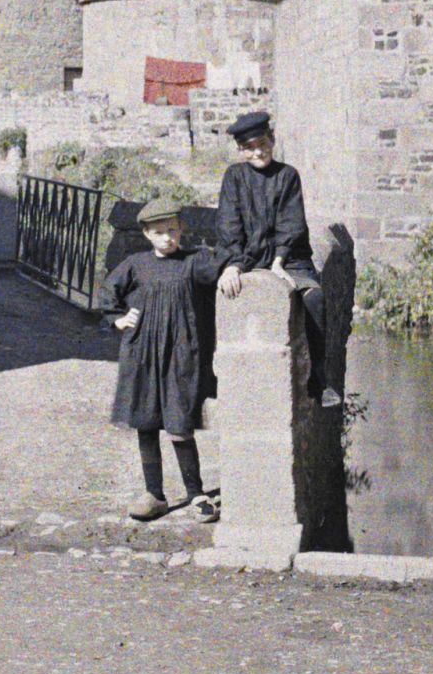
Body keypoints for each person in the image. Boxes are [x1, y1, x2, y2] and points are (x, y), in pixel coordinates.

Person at [101, 197, 241, 522]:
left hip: (181, 357)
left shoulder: (194, 262)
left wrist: (231, 269)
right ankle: (155, 494)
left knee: (180, 426)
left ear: (182, 230)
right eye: (160, 232)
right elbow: (109, 291)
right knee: (146, 425)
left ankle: (196, 494)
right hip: (142, 356)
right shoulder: (136, 264)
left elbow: (223, 262)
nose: (168, 237)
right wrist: (118, 319)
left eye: (173, 230)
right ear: (148, 234)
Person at [216, 109, 340, 407]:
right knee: (209, 287)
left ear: (272, 141)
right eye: (250, 147)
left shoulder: (287, 175)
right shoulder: (234, 177)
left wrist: (279, 262)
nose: (258, 152)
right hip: (248, 256)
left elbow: (292, 222)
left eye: (262, 144)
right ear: (241, 150)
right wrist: (233, 264)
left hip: (290, 258)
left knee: (313, 298)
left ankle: (320, 381)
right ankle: (211, 384)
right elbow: (228, 222)